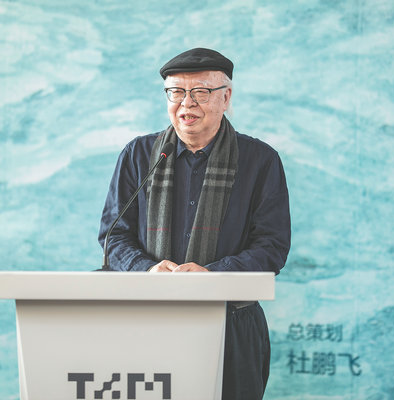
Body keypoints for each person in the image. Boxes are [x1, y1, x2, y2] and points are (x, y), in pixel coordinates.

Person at [99, 47, 291, 400]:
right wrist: (146, 269)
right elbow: (114, 237)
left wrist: (213, 276)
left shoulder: (260, 161)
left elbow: (272, 248)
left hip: (232, 325)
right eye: (176, 92)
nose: (186, 103)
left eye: (200, 92)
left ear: (226, 98)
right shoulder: (139, 155)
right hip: (146, 319)